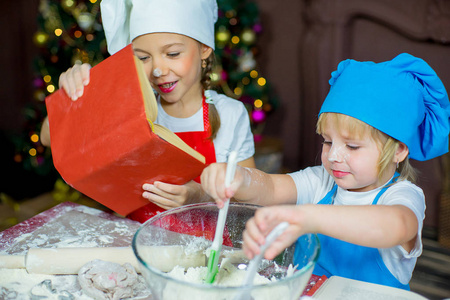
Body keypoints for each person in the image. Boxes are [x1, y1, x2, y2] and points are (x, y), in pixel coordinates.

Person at [201, 53, 450, 289]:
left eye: (352, 146)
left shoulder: (402, 196)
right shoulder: (322, 181)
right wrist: (237, 177)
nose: (333, 156)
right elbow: (271, 187)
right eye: (328, 141)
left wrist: (307, 217)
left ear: (398, 151)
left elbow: (395, 226)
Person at [40, 0, 255, 222]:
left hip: (204, 251)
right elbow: (48, 137)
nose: (158, 70)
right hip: (134, 243)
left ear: (204, 49)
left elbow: (249, 204)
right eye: (143, 57)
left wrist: (199, 197)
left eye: (172, 54)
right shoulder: (129, 106)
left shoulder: (231, 114)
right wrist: (74, 95)